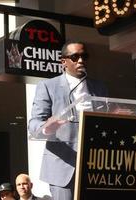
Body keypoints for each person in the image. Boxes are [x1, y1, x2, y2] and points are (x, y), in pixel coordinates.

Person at [28, 40, 108, 200]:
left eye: (84, 56)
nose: (81, 60)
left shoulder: (99, 87)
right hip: (63, 167)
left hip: (94, 165)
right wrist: (47, 128)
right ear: (63, 62)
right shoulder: (48, 86)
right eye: (75, 57)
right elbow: (33, 124)